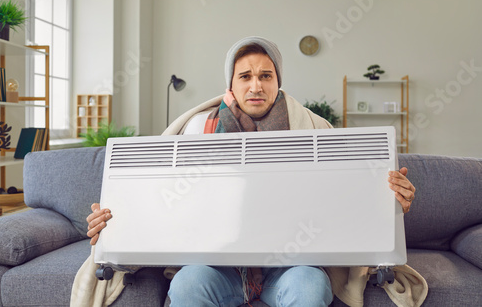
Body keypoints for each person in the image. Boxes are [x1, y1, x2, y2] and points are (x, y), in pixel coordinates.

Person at [85, 36, 416, 306]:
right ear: (231, 84)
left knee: (311, 287)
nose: (255, 85)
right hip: (218, 268)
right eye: (245, 76)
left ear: (277, 81)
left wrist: (388, 203)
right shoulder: (198, 128)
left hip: (290, 268)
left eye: (265, 76)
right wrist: (116, 221)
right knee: (186, 286)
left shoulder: (314, 129)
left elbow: (348, 194)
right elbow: (159, 198)